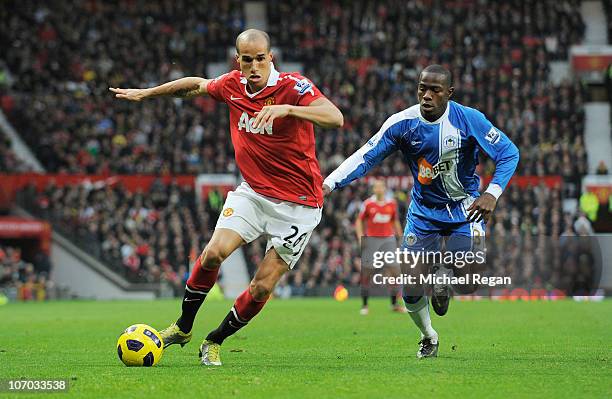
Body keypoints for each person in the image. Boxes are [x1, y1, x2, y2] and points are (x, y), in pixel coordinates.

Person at [110, 29, 343, 366]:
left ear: (270, 57)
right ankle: (183, 326)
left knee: (262, 287)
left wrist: (289, 111)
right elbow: (196, 85)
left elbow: (335, 118)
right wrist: (148, 94)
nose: (253, 65)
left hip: (299, 205)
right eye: (246, 59)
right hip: (253, 192)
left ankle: (214, 340)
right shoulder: (233, 85)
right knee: (212, 254)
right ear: (239, 60)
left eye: (260, 58)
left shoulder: (294, 87)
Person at [323, 65, 519, 358]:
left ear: (449, 94)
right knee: (411, 289)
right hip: (424, 212)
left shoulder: (469, 120)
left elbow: (509, 152)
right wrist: (329, 183)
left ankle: (446, 278)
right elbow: (366, 155)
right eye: (422, 88)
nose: (426, 96)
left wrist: (492, 192)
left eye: (435, 90)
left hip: (466, 207)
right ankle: (429, 336)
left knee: (469, 281)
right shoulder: (403, 124)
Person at [355, 179, 404, 315]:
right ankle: (364, 305)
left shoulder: (391, 203)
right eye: (376, 187)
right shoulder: (368, 204)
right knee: (367, 273)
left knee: (394, 273)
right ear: (373, 189)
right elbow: (359, 220)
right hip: (372, 241)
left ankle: (394, 304)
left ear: (384, 188)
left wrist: (400, 237)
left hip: (388, 240)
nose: (378, 189)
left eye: (381, 187)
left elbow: (395, 221)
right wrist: (360, 236)